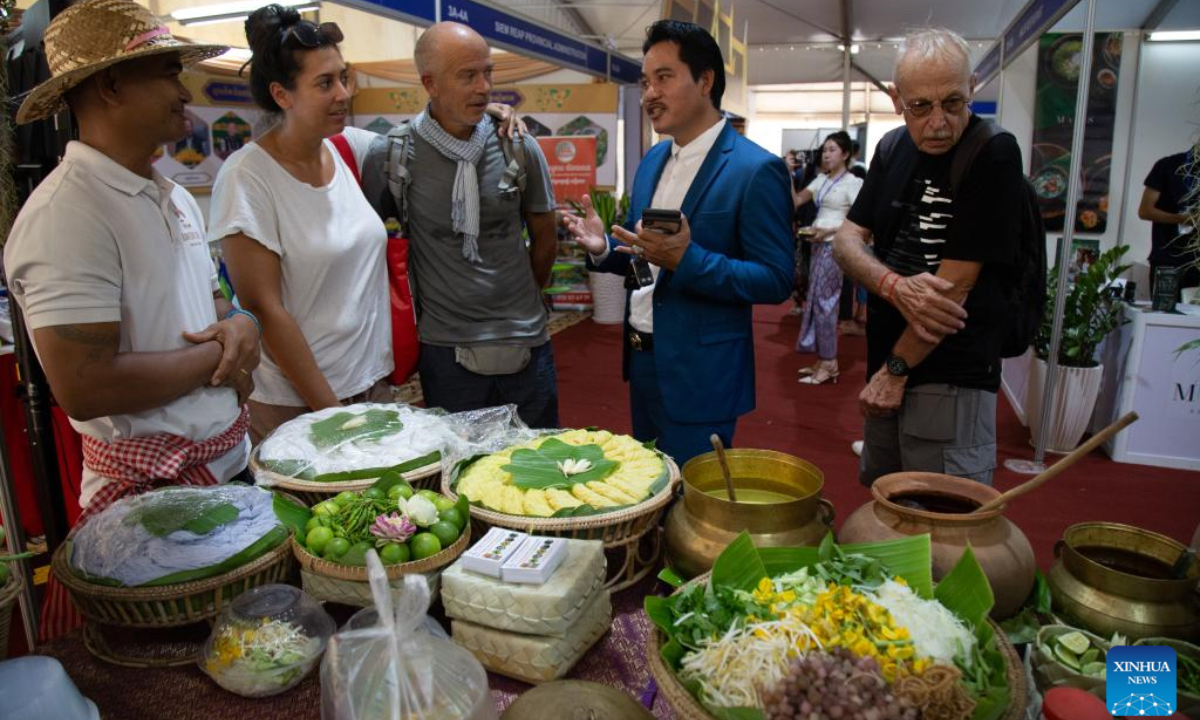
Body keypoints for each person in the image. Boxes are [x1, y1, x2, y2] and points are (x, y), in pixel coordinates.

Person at [4, 0, 258, 638]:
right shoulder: (68, 213)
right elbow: (86, 383)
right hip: (152, 503)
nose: (182, 90)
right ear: (111, 86)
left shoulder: (170, 195)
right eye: (167, 73)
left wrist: (238, 323)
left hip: (223, 469)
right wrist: (225, 355)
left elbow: (208, 305)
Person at [562, 20, 793, 465]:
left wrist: (690, 260)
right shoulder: (652, 161)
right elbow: (643, 260)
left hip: (702, 374)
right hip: (644, 359)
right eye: (646, 82)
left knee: (693, 510)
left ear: (705, 81)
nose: (649, 94)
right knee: (650, 488)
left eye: (664, 78)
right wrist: (603, 250)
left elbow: (777, 279)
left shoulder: (754, 169)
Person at [833, 28, 1025, 487]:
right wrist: (894, 287)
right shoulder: (892, 147)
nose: (938, 122)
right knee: (885, 503)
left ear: (972, 88)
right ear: (897, 99)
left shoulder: (993, 152)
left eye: (953, 103)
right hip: (886, 362)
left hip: (950, 374)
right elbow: (845, 241)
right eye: (921, 106)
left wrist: (896, 370)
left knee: (941, 518)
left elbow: (951, 291)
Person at [209, 5, 396, 444]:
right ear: (282, 95)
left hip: (370, 386)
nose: (343, 94)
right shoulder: (247, 177)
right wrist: (331, 415)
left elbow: (425, 139)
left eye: (343, 77)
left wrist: (493, 120)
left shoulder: (346, 148)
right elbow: (263, 309)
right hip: (300, 406)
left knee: (386, 513)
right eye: (324, 83)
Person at [361, 22, 560, 428]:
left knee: (540, 460)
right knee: (460, 470)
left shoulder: (517, 145)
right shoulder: (392, 155)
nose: (484, 87)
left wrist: (526, 296)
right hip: (444, 347)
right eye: (468, 76)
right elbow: (366, 247)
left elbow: (545, 236)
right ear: (430, 83)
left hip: (525, 338)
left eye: (488, 72)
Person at [793, 131, 863, 385]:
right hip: (816, 243)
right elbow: (796, 201)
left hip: (835, 246)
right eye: (825, 150)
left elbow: (860, 220)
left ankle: (830, 362)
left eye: (833, 149)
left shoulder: (852, 183)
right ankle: (823, 359)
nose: (826, 154)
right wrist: (786, 174)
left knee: (826, 302)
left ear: (845, 154)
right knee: (816, 300)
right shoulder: (820, 180)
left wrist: (830, 231)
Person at [1139, 147, 1199, 297]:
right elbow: (1144, 211)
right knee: (1163, 315)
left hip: (1197, 263)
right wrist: (1184, 219)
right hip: (1167, 261)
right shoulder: (1168, 165)